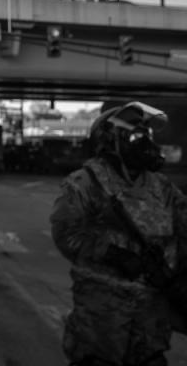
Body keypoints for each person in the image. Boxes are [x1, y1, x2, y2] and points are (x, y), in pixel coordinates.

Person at [51, 102, 187, 366]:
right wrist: (113, 255)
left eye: (148, 136)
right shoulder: (86, 182)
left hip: (151, 310)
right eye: (137, 136)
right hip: (103, 312)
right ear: (112, 141)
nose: (146, 142)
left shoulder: (161, 187)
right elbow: (66, 234)